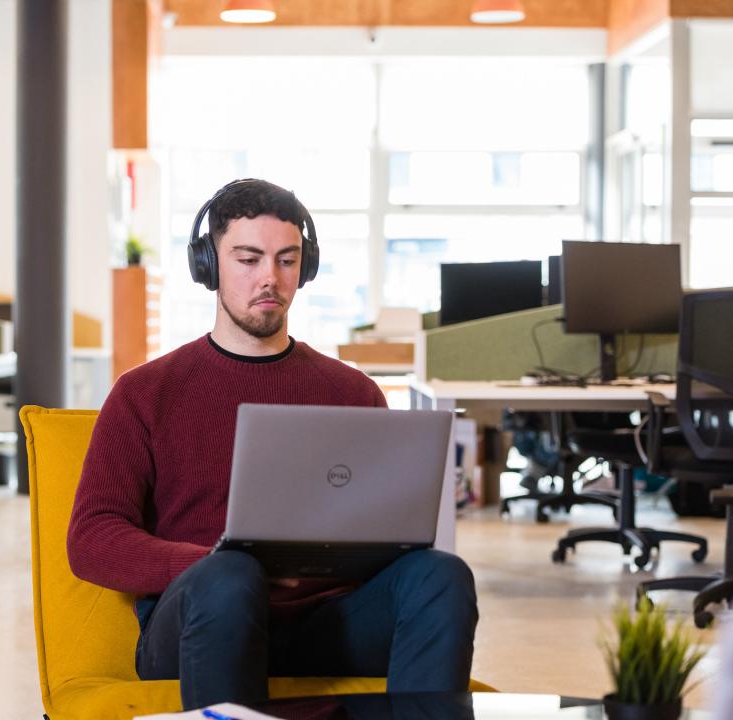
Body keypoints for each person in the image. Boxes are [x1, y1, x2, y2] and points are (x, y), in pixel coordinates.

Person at [67, 178, 478, 710]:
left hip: (325, 626)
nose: (270, 278)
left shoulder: (352, 391)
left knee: (442, 574)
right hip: (204, 620)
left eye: (287, 260)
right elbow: (92, 538)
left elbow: (385, 534)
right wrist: (210, 562)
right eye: (248, 258)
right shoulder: (146, 391)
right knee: (231, 574)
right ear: (208, 266)